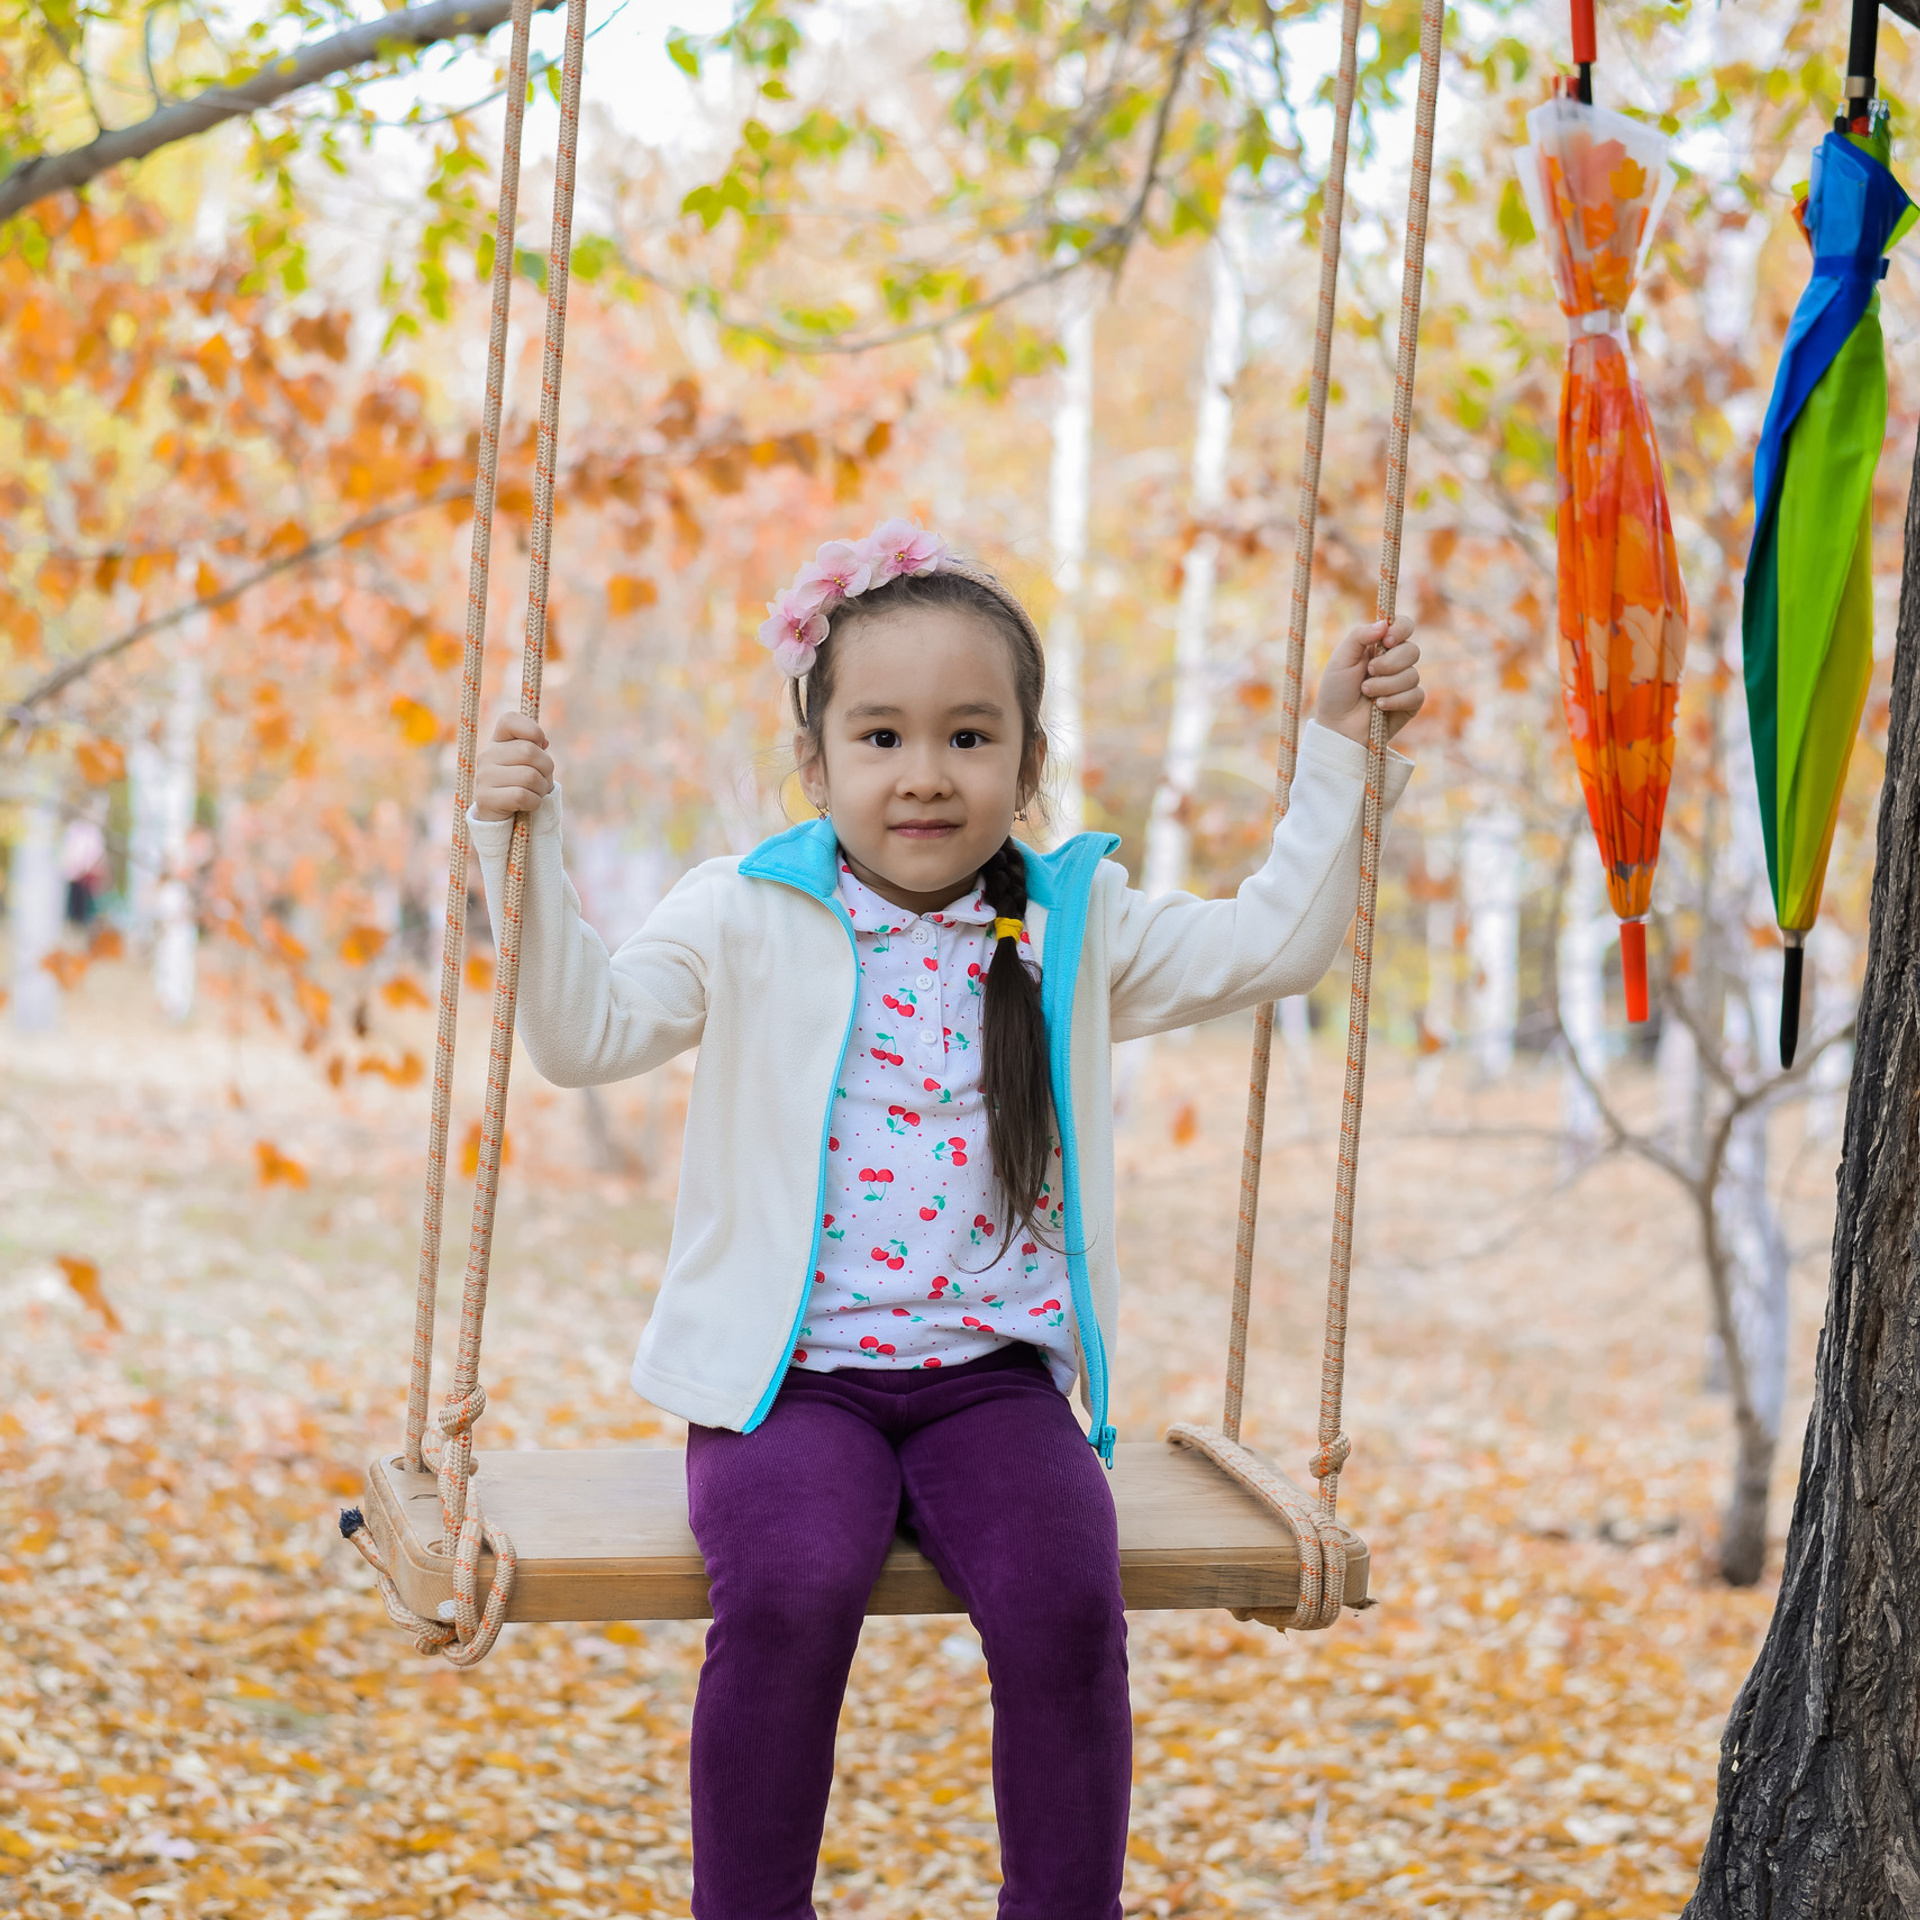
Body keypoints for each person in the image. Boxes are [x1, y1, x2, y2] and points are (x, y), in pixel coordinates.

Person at [469, 519, 1423, 1920]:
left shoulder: (1071, 925)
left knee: (1063, 1609)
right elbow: (581, 1031)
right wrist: (521, 841)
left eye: (970, 739)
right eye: (882, 737)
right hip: (789, 1386)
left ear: (1025, 761)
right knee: (790, 1594)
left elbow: (1271, 942)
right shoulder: (743, 911)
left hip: (993, 1388)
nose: (925, 775)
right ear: (821, 757)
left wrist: (1339, 750)